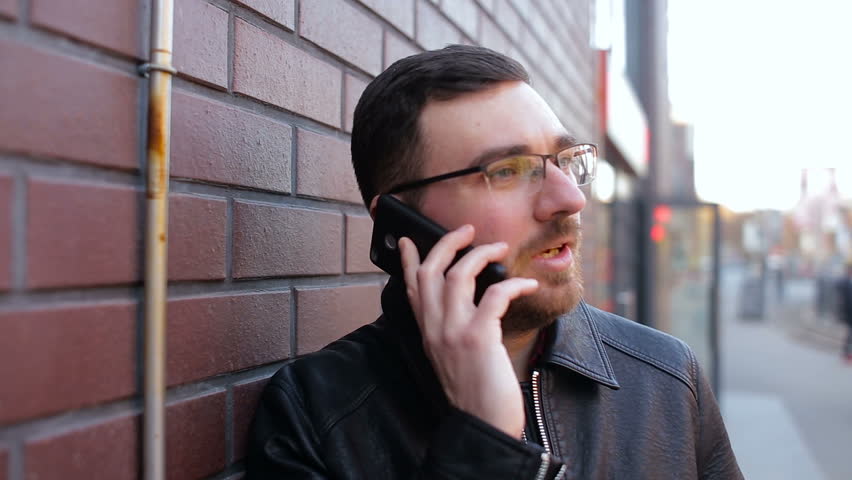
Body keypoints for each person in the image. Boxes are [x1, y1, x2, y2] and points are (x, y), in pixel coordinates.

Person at [247, 45, 743, 479]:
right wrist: (482, 446)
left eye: (565, 159)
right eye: (507, 170)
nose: (569, 198)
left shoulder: (667, 380)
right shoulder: (315, 414)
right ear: (400, 223)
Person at [840, 262, 852, 363]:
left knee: (849, 334)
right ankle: (846, 353)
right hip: (848, 313)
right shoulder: (844, 282)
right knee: (849, 334)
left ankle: (847, 352)